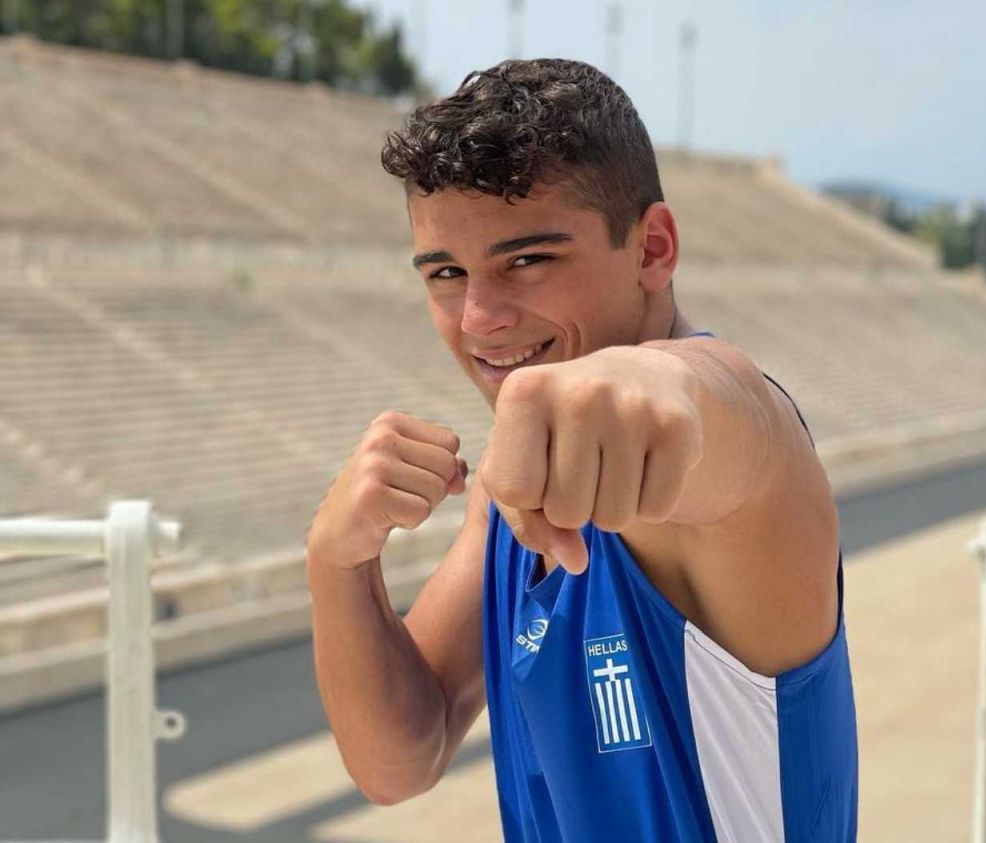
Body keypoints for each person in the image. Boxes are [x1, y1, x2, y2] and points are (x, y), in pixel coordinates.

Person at [306, 58, 858, 841]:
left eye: (528, 260)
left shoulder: (744, 453)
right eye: (447, 273)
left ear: (653, 248)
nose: (479, 317)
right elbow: (398, 759)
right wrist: (337, 563)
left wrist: (642, 380)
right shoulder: (511, 490)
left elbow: (712, 403)